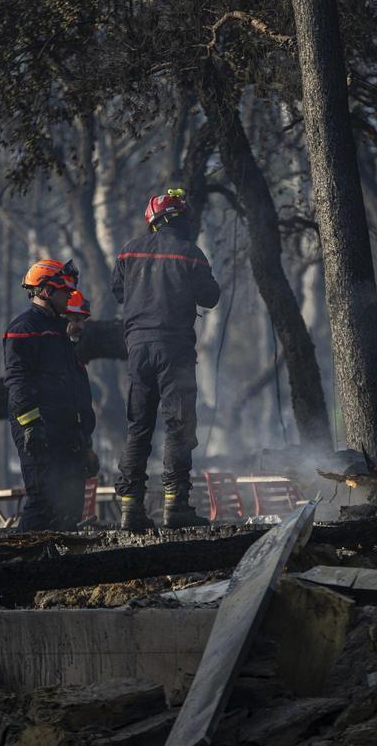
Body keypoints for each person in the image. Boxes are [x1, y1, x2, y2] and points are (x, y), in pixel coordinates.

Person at [112, 188, 221, 530]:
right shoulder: (190, 252)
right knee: (178, 424)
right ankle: (176, 506)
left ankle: (130, 509)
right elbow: (210, 296)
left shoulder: (129, 251)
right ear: (179, 218)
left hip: (137, 349)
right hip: (174, 349)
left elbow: (118, 292)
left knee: (139, 427)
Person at [3, 259, 88, 531]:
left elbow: (74, 386)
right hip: (38, 431)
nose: (70, 297)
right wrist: (31, 426)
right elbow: (18, 382)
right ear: (47, 291)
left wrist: (84, 435)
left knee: (69, 506)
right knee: (43, 502)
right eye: (65, 292)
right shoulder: (23, 329)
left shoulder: (59, 332)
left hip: (65, 431)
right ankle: (22, 556)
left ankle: (62, 557)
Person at [64, 289, 100, 485]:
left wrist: (87, 446)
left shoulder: (74, 355)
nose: (80, 326)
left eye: (82, 321)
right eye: (75, 320)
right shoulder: (55, 356)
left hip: (78, 444)